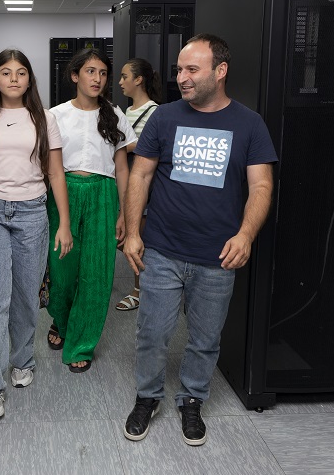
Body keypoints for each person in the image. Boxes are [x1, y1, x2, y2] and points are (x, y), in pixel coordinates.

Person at [121, 34, 277, 446]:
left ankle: (192, 399)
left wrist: (246, 235)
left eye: (192, 69)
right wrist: (133, 232)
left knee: (205, 340)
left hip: (217, 256)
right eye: (179, 70)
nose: (182, 78)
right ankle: (147, 396)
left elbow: (261, 185)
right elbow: (141, 174)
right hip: (162, 250)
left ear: (220, 71)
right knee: (152, 334)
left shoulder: (249, 124)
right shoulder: (165, 117)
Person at [0, 49, 72, 421]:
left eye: (21, 72)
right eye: (6, 72)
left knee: (27, 295)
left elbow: (56, 173)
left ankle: (22, 359)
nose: (14, 79)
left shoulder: (45, 118)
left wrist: (64, 223)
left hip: (32, 212)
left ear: (29, 79)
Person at [46, 47, 137, 372]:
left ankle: (81, 343)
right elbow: (48, 166)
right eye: (90, 71)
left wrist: (125, 212)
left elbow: (122, 168)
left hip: (103, 194)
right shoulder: (54, 115)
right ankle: (61, 318)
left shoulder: (114, 115)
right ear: (75, 76)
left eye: (102, 73)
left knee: (97, 272)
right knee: (62, 270)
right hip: (64, 193)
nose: (97, 78)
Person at [115, 58, 162, 311]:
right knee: (122, 238)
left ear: (139, 79)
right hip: (122, 180)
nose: (120, 82)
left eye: (125, 77)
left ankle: (139, 290)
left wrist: (122, 145)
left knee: (137, 240)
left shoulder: (155, 112)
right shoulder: (125, 111)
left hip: (142, 185)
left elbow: (152, 146)